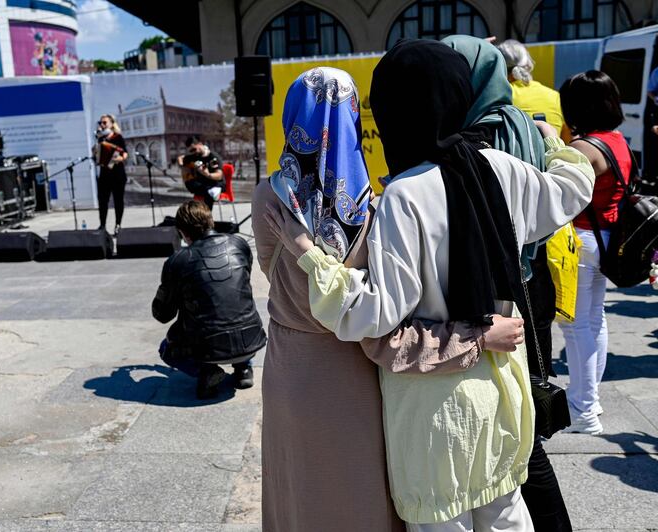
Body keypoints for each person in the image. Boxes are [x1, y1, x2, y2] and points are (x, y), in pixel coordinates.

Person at [266, 40, 595, 530]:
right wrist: (548, 139)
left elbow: (370, 315)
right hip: (503, 389)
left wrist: (309, 254)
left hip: (432, 411)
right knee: (507, 515)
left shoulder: (403, 194)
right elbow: (573, 188)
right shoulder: (500, 168)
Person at [443, 35, 573, 532]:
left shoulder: (478, 133)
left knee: (520, 428)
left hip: (498, 286)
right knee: (517, 417)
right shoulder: (524, 123)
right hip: (530, 273)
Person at [558, 70, 630, 435]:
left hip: (583, 241)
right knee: (594, 321)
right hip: (607, 237)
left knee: (575, 327)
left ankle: (584, 410)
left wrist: (553, 143)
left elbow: (557, 187)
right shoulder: (618, 141)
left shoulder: (584, 148)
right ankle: (590, 400)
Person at [152, 200, 266, 399]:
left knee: (166, 348)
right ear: (211, 221)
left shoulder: (178, 260)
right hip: (251, 337)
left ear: (182, 232)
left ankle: (207, 372)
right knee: (231, 307)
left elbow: (162, 314)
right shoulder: (238, 244)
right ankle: (243, 369)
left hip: (211, 345)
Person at [497, 39, 566, 137]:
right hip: (553, 151)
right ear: (528, 63)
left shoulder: (501, 96)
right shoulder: (555, 96)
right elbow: (566, 140)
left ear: (499, 66)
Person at [93, 114, 128, 234]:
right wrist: (96, 156)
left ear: (112, 124)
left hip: (118, 174)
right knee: (103, 201)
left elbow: (124, 154)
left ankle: (118, 225)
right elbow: (97, 156)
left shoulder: (118, 138)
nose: (102, 125)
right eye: (100, 123)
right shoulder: (100, 139)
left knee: (118, 200)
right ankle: (102, 226)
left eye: (104, 122)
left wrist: (119, 159)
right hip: (104, 175)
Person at [177, 135, 223, 210]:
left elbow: (219, 175)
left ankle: (206, 216)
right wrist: (180, 163)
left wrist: (208, 174)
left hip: (215, 183)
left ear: (200, 144)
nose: (194, 153)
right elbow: (182, 159)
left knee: (208, 193)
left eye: (194, 149)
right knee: (191, 184)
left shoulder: (212, 157)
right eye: (191, 151)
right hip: (202, 184)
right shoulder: (194, 156)